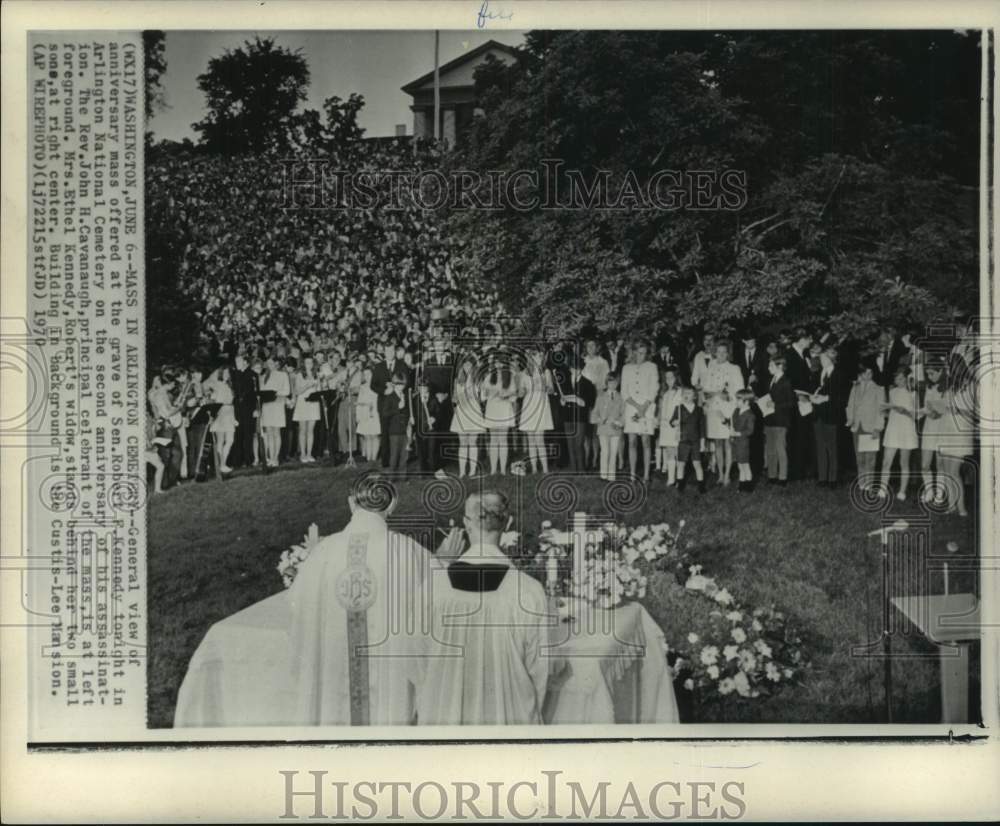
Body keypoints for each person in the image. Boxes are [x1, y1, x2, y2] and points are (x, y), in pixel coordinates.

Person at [287, 476, 432, 725]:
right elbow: (433, 610)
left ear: (351, 502)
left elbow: (298, 608)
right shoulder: (409, 552)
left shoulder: (324, 551)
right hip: (390, 677)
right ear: (392, 505)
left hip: (332, 671)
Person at [415, 491, 553, 725]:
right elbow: (539, 671)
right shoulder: (529, 591)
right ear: (508, 523)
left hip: (443, 715)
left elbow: (417, 662)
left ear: (466, 523)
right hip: (509, 718)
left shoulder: (433, 586)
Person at [701, 342, 745, 487]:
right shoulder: (711, 367)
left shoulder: (734, 368)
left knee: (728, 442)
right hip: (714, 409)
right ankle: (720, 474)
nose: (721, 355)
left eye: (724, 352)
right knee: (717, 442)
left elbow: (740, 390)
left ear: (728, 354)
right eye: (718, 352)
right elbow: (705, 389)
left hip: (728, 409)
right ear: (715, 353)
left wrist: (729, 396)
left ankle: (727, 475)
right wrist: (712, 395)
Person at [879, 367, 919, 501]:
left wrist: (904, 411)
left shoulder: (913, 393)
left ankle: (902, 491)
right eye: (896, 378)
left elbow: (916, 415)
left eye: (901, 378)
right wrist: (884, 411)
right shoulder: (892, 392)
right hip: (893, 429)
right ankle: (882, 488)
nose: (898, 381)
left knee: (904, 462)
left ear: (907, 379)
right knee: (886, 461)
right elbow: (889, 412)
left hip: (906, 430)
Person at [621, 340, 659, 481]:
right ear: (633, 352)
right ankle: (632, 473)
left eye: (643, 353)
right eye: (638, 352)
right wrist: (637, 407)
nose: (640, 356)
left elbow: (654, 388)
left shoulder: (652, 367)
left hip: (647, 408)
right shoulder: (626, 368)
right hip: (631, 407)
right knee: (632, 441)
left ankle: (646, 474)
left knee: (646, 441)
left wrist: (644, 407)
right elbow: (624, 391)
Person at [809, 346, 845, 488]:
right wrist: (812, 397)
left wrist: (826, 398)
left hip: (831, 415)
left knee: (832, 447)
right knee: (820, 447)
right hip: (818, 414)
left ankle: (833, 479)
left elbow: (842, 397)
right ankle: (822, 477)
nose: (821, 360)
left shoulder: (839, 374)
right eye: (821, 358)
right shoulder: (818, 373)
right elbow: (813, 389)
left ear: (831, 359)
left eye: (824, 358)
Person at [845, 359, 883, 492]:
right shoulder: (855, 388)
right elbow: (850, 405)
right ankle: (862, 483)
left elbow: (881, 411)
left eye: (870, 373)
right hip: (857, 426)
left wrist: (878, 428)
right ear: (860, 374)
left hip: (870, 427)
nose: (868, 375)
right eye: (865, 373)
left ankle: (869, 484)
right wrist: (850, 419)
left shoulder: (878, 389)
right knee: (859, 457)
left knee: (870, 458)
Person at [517, 349, 554, 474]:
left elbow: (551, 389)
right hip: (529, 405)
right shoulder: (524, 373)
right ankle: (533, 468)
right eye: (536, 356)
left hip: (541, 404)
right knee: (531, 439)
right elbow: (520, 393)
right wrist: (521, 391)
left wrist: (545, 388)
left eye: (540, 356)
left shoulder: (546, 372)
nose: (538, 358)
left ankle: (545, 468)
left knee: (540, 438)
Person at [560, 353, 597, 474]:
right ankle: (573, 469)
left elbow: (590, 402)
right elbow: (562, 400)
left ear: (581, 369)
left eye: (575, 368)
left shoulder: (588, 383)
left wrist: (578, 400)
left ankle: (581, 470)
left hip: (580, 417)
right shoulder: (565, 382)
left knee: (578, 444)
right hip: (568, 416)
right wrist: (562, 401)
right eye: (571, 368)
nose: (573, 370)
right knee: (570, 444)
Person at [762, 357, 795, 486]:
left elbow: (791, 403)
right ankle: (772, 475)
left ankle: (783, 477)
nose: (768, 368)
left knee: (780, 448)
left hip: (781, 421)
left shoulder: (787, 382)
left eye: (771, 366)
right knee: (770, 448)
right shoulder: (771, 380)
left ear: (780, 366)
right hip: (769, 419)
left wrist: (775, 405)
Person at [483, 355, 517, 475]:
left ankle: (502, 469)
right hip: (492, 408)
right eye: (496, 363)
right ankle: (493, 469)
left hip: (504, 408)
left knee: (503, 439)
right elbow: (484, 394)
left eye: (501, 363)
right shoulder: (489, 376)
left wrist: (505, 394)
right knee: (493, 439)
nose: (498, 365)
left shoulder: (510, 376)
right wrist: (489, 393)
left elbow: (513, 394)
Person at [452, 362, 485, 477]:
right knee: (463, 442)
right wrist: (459, 398)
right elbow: (454, 399)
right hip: (462, 412)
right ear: (462, 367)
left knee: (472, 442)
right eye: (465, 365)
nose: (467, 367)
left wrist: (474, 395)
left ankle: (472, 470)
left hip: (474, 412)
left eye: (470, 365)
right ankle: (462, 471)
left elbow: (482, 398)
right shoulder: (458, 381)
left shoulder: (477, 381)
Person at [671, 386, 706, 493]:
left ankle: (701, 486)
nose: (686, 395)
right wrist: (674, 422)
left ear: (694, 396)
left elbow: (702, 428)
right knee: (681, 463)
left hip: (695, 441)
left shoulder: (699, 410)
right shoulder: (679, 408)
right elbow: (671, 421)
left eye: (689, 393)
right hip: (683, 440)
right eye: (684, 393)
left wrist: (702, 443)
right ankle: (680, 484)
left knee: (697, 464)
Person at [581, 339, 610, 470]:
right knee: (586, 431)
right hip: (585, 399)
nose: (591, 348)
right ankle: (586, 458)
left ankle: (595, 460)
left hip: (598, 397)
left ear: (597, 347)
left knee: (596, 431)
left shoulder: (603, 362)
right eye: (588, 346)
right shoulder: (583, 362)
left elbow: (606, 382)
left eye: (593, 345)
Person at [594, 371, 625, 481]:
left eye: (615, 382)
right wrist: (600, 420)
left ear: (618, 383)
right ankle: (603, 474)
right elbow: (594, 413)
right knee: (605, 451)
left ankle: (612, 475)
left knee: (613, 452)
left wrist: (618, 422)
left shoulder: (621, 397)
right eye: (610, 382)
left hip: (615, 429)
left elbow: (623, 414)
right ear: (606, 383)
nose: (612, 385)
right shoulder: (600, 397)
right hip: (603, 428)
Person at [206, 365, 237, 475]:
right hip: (221, 412)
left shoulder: (230, 385)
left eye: (228, 373)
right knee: (220, 441)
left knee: (230, 440)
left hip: (230, 412)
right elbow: (211, 395)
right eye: (225, 373)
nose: (227, 375)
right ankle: (221, 465)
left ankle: (222, 463)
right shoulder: (217, 385)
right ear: (220, 374)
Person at [230, 354, 258, 468]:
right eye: (236, 361)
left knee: (248, 434)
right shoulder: (235, 375)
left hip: (248, 408)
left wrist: (256, 408)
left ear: (245, 362)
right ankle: (238, 460)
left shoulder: (253, 375)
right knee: (238, 434)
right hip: (237, 408)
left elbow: (256, 393)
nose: (237, 364)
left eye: (239, 361)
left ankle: (248, 459)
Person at [381, 369, 412, 474]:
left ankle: (403, 476)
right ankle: (391, 477)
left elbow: (407, 411)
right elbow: (385, 413)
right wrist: (397, 408)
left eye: (402, 385)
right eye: (398, 384)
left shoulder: (406, 396)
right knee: (394, 455)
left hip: (405, 430)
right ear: (394, 384)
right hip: (394, 430)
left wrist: (410, 418)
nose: (401, 387)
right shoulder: (390, 397)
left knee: (404, 455)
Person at [657, 368, 682, 486]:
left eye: (671, 377)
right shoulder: (666, 393)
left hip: (676, 425)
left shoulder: (680, 392)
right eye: (666, 378)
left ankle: (679, 477)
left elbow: (681, 409)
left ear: (676, 378)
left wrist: (679, 422)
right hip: (665, 426)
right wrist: (660, 420)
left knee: (678, 451)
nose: (669, 380)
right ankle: (671, 478)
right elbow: (663, 410)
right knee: (669, 450)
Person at [293, 356, 321, 463]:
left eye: (311, 363)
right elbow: (297, 391)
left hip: (313, 404)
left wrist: (320, 385)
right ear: (303, 364)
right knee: (302, 430)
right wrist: (308, 385)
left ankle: (309, 454)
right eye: (307, 363)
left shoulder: (316, 375)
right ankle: (303, 454)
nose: (309, 365)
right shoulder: (299, 375)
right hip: (302, 403)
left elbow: (318, 390)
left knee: (311, 430)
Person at [411, 379, 439, 472]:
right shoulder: (415, 399)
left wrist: (434, 418)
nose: (422, 389)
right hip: (420, 429)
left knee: (431, 450)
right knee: (421, 451)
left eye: (424, 387)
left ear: (428, 388)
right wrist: (413, 429)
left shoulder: (434, 399)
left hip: (431, 430)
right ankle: (423, 470)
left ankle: (432, 470)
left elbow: (439, 413)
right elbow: (413, 414)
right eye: (420, 387)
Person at [731, 389, 756, 492]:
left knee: (745, 465)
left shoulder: (750, 415)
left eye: (738, 400)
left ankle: (749, 487)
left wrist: (739, 433)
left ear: (746, 402)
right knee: (740, 465)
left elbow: (750, 431)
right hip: (736, 442)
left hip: (743, 443)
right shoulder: (736, 411)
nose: (736, 402)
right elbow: (733, 424)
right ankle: (742, 486)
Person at [356, 365, 382, 463]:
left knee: (374, 435)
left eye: (369, 374)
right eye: (365, 374)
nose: (367, 376)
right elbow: (359, 402)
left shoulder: (377, 386)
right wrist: (358, 415)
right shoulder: (362, 387)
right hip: (364, 413)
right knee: (366, 436)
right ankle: (368, 458)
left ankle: (373, 458)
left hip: (375, 413)